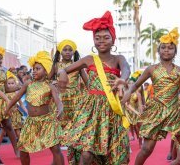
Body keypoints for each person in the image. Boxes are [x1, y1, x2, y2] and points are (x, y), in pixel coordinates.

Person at [58, 11, 131, 164]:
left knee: (112, 151)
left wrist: (122, 79)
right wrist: (62, 73)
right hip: (91, 109)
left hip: (112, 110)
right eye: (97, 38)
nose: (101, 41)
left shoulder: (118, 58)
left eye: (106, 37)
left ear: (113, 40)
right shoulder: (88, 59)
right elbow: (64, 69)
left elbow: (126, 68)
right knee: (86, 152)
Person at [122, 28, 180, 165]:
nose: (166, 50)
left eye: (170, 48)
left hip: (175, 112)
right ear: (158, 51)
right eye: (163, 47)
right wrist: (127, 93)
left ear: (175, 52)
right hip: (156, 111)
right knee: (146, 149)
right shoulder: (151, 69)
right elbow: (135, 85)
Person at [6, 51, 64, 165]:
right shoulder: (28, 84)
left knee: (55, 149)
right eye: (33, 69)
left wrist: (60, 109)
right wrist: (7, 108)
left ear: (46, 70)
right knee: (23, 149)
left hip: (47, 122)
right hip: (31, 122)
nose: (34, 71)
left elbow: (58, 101)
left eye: (38, 68)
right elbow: (16, 97)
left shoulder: (50, 86)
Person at [49, 39, 88, 130]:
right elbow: (47, 80)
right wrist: (53, 83)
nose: (67, 52)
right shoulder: (56, 65)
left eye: (70, 50)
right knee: (59, 122)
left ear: (73, 52)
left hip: (75, 98)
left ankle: (72, 143)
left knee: (74, 123)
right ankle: (61, 143)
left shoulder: (78, 65)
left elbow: (87, 82)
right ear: (60, 52)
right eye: (65, 50)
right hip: (60, 97)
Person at [0, 72, 28, 149]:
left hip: (15, 114)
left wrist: (26, 112)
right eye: (9, 83)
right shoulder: (4, 94)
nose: (10, 85)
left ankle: (22, 146)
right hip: (7, 114)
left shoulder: (17, 93)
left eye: (12, 83)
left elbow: (21, 104)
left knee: (17, 131)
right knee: (3, 131)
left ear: (15, 84)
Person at [125, 70, 144, 146]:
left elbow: (140, 104)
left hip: (136, 112)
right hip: (127, 112)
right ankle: (128, 146)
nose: (130, 85)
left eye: (132, 83)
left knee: (138, 128)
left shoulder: (138, 93)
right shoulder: (126, 93)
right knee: (127, 128)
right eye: (129, 83)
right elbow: (126, 104)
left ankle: (140, 143)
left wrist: (141, 113)